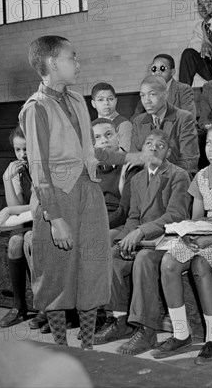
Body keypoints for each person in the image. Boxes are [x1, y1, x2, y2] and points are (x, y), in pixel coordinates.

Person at [19, 35, 146, 349]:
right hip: (56, 200)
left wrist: (131, 156)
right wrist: (55, 217)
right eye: (72, 58)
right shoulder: (36, 108)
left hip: (89, 195)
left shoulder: (77, 100)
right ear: (52, 63)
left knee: (91, 272)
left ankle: (87, 347)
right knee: (57, 276)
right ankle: (61, 346)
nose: (78, 63)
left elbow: (91, 154)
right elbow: (39, 168)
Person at [154, 122, 212, 363]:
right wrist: (191, 233)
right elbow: (197, 218)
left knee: (200, 264)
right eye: (208, 143)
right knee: (168, 262)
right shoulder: (202, 177)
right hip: (206, 234)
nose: (211, 149)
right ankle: (181, 333)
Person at [93, 130, 191, 355]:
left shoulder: (178, 175)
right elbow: (134, 216)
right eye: (149, 143)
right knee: (111, 256)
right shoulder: (137, 179)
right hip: (143, 238)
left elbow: (175, 215)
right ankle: (121, 322)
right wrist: (124, 240)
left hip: (169, 240)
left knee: (145, 260)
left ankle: (147, 331)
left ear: (168, 151)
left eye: (160, 145)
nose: (153, 148)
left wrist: (140, 232)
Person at [0, 126, 37, 328]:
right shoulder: (16, 169)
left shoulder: (42, 167)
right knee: (15, 243)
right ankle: (19, 306)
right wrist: (7, 179)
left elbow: (37, 205)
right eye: (18, 150)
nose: (22, 154)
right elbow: (14, 206)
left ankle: (44, 306)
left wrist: (8, 212)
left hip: (45, 219)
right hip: (25, 219)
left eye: (26, 149)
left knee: (29, 239)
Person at [131, 75, 200, 175]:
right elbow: (134, 160)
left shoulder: (184, 118)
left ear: (165, 95)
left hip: (178, 180)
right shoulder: (138, 121)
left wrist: (160, 178)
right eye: (142, 95)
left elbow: (190, 161)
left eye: (152, 94)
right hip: (147, 180)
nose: (146, 101)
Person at [91, 118, 137, 235]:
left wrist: (96, 226)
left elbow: (125, 211)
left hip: (120, 224)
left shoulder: (132, 165)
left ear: (118, 137)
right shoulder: (89, 167)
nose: (104, 141)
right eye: (97, 137)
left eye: (108, 134)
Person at [132, 54, 195, 119]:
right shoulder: (147, 91)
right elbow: (135, 119)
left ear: (172, 72)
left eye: (162, 68)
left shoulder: (183, 89)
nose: (158, 72)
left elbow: (189, 118)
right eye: (154, 69)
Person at [90, 82, 132, 152]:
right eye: (100, 100)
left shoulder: (124, 124)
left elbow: (124, 155)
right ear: (93, 103)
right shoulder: (92, 127)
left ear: (115, 100)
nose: (106, 103)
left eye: (110, 99)